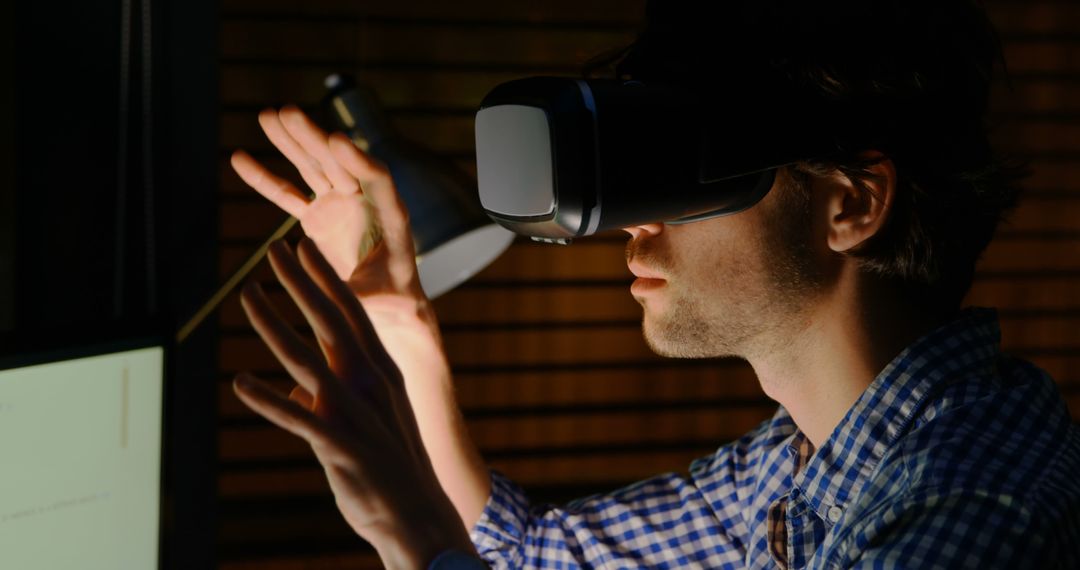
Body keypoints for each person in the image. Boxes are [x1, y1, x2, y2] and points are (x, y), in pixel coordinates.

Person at [228, 0, 1080, 568]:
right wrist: (404, 320)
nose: (635, 222)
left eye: (676, 172)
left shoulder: (966, 513)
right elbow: (526, 556)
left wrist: (404, 530)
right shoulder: (804, 462)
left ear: (850, 206)